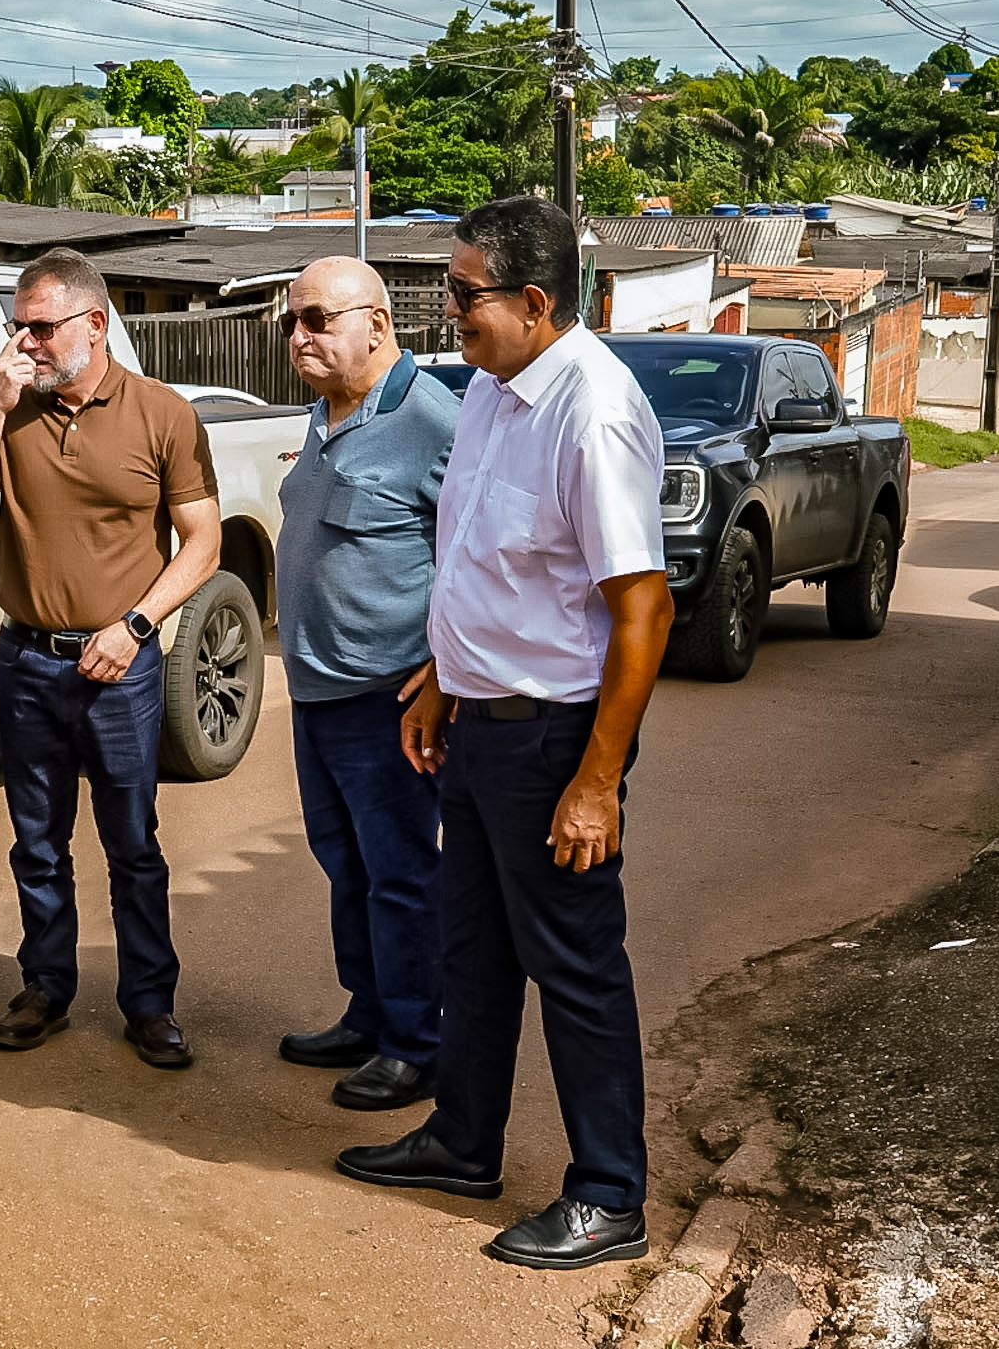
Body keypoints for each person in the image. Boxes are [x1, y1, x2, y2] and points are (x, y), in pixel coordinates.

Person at [333, 196, 675, 1273]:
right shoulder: (489, 388)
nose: (448, 310)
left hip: (554, 740)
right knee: (471, 951)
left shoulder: (592, 412)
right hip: (480, 725)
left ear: (533, 301)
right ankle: (462, 1138)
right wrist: (445, 679)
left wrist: (597, 780)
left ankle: (608, 1192)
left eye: (462, 291)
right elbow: (490, 561)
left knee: (573, 963)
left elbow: (642, 609)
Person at [0, 247, 221, 1069]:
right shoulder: (10, 410)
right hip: (27, 660)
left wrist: (135, 625)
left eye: (40, 327)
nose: (24, 342)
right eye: (17, 327)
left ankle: (150, 1004)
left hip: (120, 664)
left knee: (132, 842)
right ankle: (46, 987)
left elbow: (202, 543)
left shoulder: (162, 414)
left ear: (94, 324)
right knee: (37, 842)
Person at [273, 255, 460, 1112]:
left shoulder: (430, 418)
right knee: (345, 863)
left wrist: (445, 668)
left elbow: (479, 554)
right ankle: (370, 1009)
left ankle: (416, 1043)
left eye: (317, 319)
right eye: (292, 320)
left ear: (377, 324)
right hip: (318, 695)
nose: (298, 335)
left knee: (400, 873)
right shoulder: (326, 412)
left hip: (390, 701)